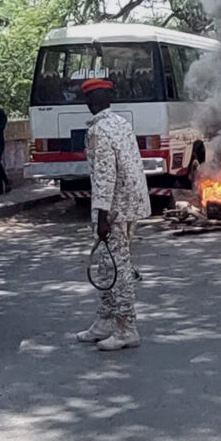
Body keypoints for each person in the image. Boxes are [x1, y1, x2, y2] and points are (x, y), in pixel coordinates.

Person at [75, 78, 150, 351]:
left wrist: (103, 216)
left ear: (89, 102)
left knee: (118, 269)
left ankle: (126, 327)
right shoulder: (120, 123)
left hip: (114, 209)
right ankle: (105, 321)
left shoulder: (99, 131)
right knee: (107, 267)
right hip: (130, 204)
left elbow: (106, 175)